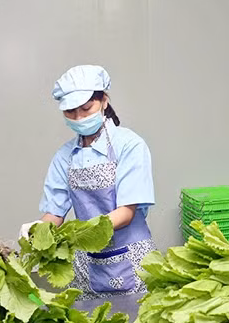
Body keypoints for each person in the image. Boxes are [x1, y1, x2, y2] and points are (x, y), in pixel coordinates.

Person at [20, 65, 156, 301]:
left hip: (131, 258)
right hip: (87, 263)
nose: (79, 117)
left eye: (86, 108)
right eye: (71, 112)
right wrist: (37, 230)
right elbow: (55, 213)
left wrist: (76, 232)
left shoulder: (130, 145)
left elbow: (126, 213)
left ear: (104, 100)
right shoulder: (65, 156)